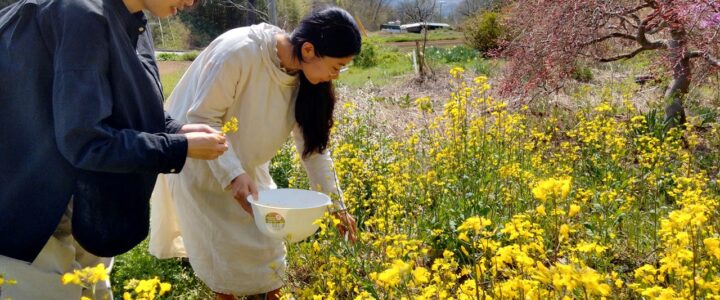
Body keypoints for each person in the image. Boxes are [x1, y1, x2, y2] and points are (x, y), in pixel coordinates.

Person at [0, 0, 229, 298]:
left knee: (94, 291)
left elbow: (128, 102)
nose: (192, 2)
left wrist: (175, 129)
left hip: (88, 201)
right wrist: (177, 148)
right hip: (33, 213)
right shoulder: (79, 14)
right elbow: (86, 142)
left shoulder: (133, 19)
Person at [148, 7, 362, 299]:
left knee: (270, 266)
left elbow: (313, 150)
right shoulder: (240, 52)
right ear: (309, 49)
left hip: (251, 175)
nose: (335, 76)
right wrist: (233, 174)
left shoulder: (305, 77)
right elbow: (202, 119)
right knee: (224, 276)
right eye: (337, 66)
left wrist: (338, 207)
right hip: (205, 171)